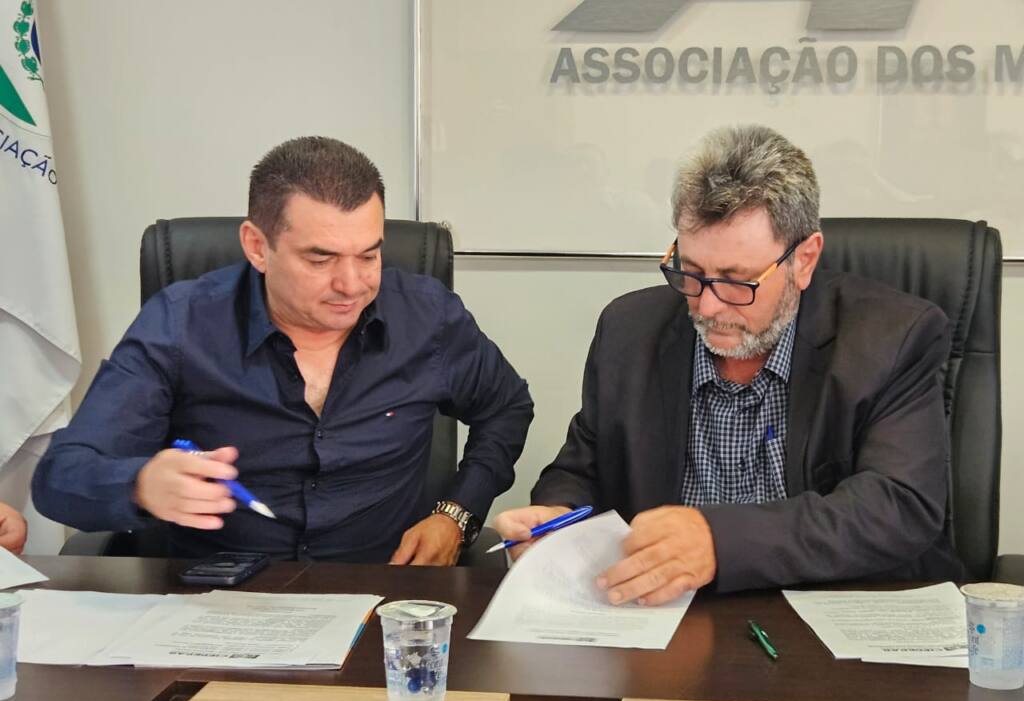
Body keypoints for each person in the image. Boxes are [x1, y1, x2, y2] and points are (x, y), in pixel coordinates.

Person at [495, 125, 963, 603]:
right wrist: (558, 518)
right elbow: (584, 468)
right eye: (692, 272)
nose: (708, 306)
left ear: (804, 260)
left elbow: (897, 505)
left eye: (737, 281)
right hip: (666, 619)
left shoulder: (891, 337)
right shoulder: (629, 331)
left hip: (832, 612)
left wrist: (719, 541)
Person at [33, 137, 533, 565]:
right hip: (219, 600)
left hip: (382, 589)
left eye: (369, 255)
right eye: (321, 258)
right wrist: (140, 484)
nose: (352, 284)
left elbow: (506, 408)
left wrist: (456, 514)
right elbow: (60, 476)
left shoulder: (428, 319)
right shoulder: (182, 324)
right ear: (257, 246)